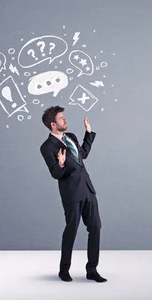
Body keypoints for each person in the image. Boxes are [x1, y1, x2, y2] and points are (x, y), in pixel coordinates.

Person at [40, 106, 107, 283]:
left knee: (95, 227)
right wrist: (60, 164)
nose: (65, 120)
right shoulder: (47, 147)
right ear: (53, 124)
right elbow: (55, 173)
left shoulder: (72, 137)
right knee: (71, 230)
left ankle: (92, 270)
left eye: (64, 117)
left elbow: (82, 155)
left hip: (87, 189)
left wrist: (89, 132)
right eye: (61, 118)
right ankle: (64, 270)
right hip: (71, 193)